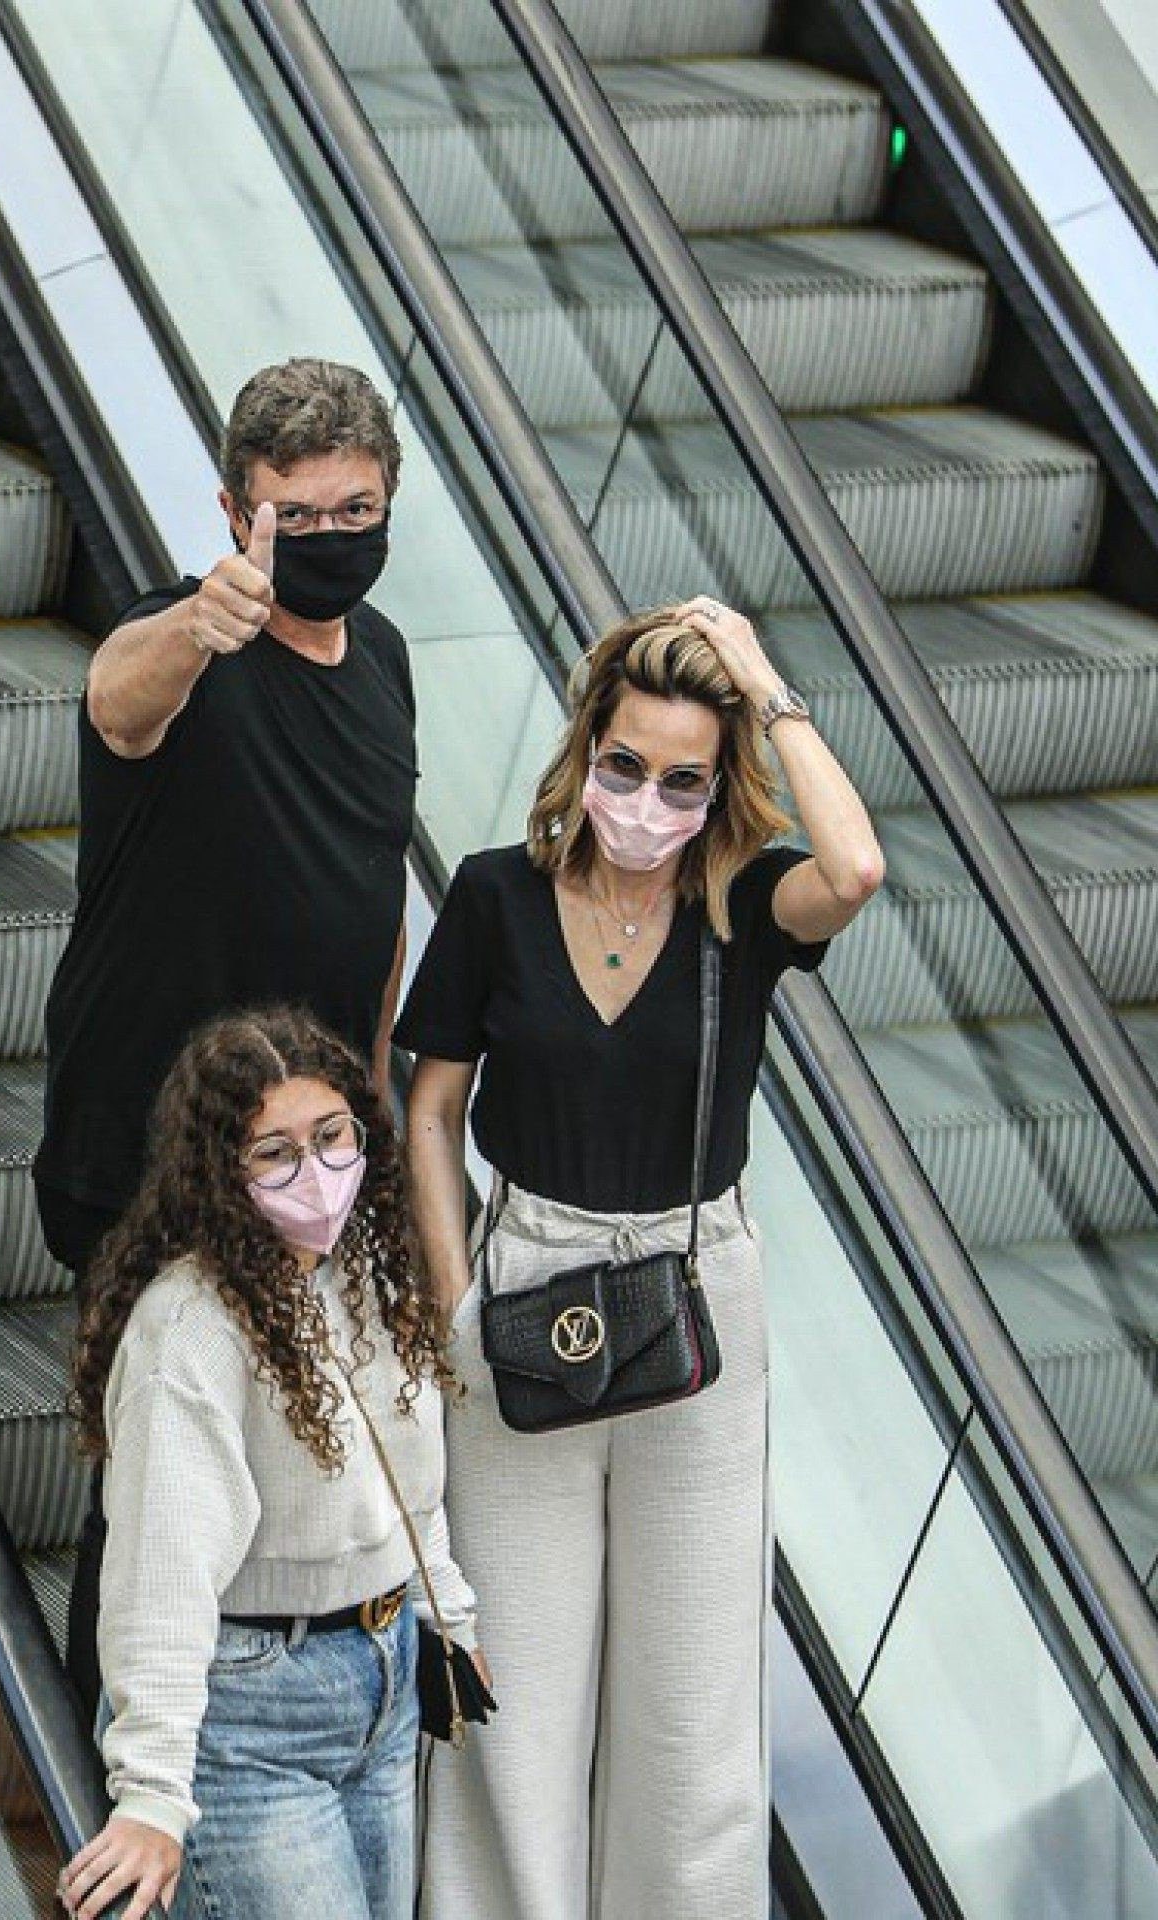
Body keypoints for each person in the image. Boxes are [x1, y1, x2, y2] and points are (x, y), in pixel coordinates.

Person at [396, 599, 884, 1920]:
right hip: (524, 1285)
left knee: (690, 1693)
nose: (647, 798)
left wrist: (764, 683)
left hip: (694, 1293)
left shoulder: (743, 910)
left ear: (718, 785)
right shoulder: (498, 895)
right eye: (626, 765)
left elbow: (856, 870)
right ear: (585, 751)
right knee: (515, 1677)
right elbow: (431, 1107)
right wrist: (454, 1307)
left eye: (683, 777)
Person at [33, 357, 418, 1715]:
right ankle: (109, 1784)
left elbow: (377, 895)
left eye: (354, 509)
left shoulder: (382, 662)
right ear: (232, 510)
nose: (329, 540)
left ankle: (232, 1756)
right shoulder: (180, 642)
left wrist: (375, 1114)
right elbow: (117, 701)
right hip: (148, 1152)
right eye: (294, 517)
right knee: (149, 1482)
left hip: (311, 1157)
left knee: (271, 1462)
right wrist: (206, 620)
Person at [57, 1007, 482, 1920]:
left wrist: (446, 1613)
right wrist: (155, 1792)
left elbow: (408, 1472)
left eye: (332, 1137)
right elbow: (159, 1576)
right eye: (274, 1153)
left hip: (384, 1672)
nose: (317, 1173)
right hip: (251, 1715)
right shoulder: (190, 1332)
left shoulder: (366, 1267)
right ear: (220, 1172)